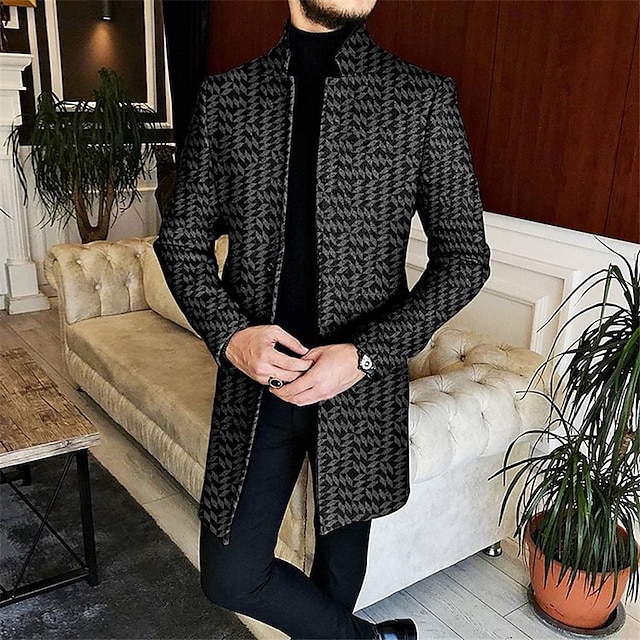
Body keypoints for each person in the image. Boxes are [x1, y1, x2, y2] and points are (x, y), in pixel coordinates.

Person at [153, 0, 491, 638]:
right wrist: (230, 336)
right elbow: (181, 243)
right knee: (230, 574)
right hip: (258, 387)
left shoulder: (420, 98)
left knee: (339, 573)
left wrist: (366, 354)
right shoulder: (228, 98)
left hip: (359, 389)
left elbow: (465, 259)